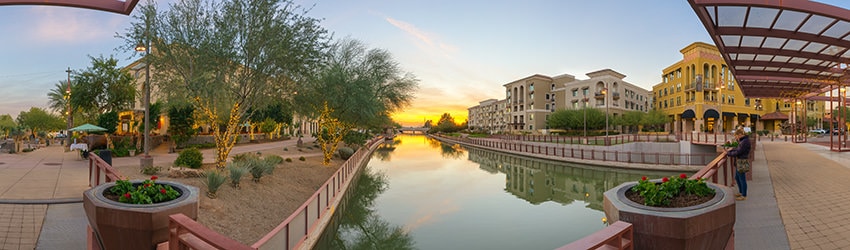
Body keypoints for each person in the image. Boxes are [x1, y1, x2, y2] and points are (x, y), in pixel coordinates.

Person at [727, 128, 751, 201]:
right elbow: (738, 149)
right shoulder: (743, 141)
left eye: (736, 136)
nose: (736, 137)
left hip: (741, 161)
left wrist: (728, 153)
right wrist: (731, 150)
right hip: (740, 161)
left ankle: (744, 195)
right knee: (737, 178)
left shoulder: (744, 141)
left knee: (742, 178)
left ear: (740, 135)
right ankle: (741, 192)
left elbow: (738, 152)